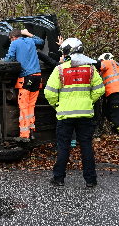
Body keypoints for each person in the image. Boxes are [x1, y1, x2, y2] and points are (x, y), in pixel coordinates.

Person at [44, 37, 105, 188]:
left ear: (67, 52)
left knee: (63, 146)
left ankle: (58, 178)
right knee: (86, 146)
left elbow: (49, 92)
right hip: (85, 114)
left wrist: (57, 105)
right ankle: (90, 180)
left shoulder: (60, 69)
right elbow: (100, 89)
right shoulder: (90, 69)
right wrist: (88, 101)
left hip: (65, 115)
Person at [0, 28, 44, 142]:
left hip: (26, 78)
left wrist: (0, 62)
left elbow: (10, 58)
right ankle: (31, 131)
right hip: (37, 77)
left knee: (23, 105)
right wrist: (28, 33)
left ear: (13, 38)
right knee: (31, 105)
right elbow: (41, 41)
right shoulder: (30, 41)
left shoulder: (14, 43)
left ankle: (24, 135)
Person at [97, 52, 119, 136]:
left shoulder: (108, 62)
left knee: (116, 112)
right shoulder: (116, 65)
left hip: (114, 91)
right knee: (109, 110)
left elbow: (98, 65)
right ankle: (117, 130)